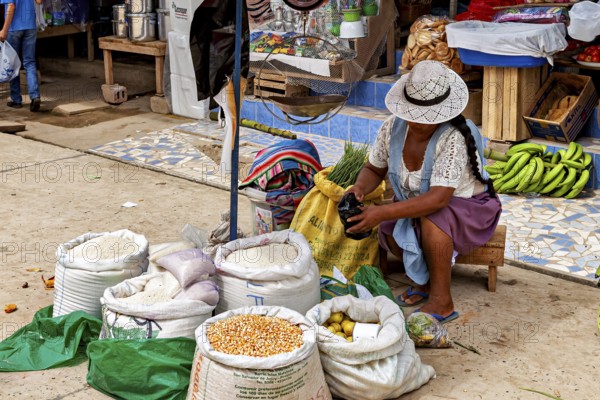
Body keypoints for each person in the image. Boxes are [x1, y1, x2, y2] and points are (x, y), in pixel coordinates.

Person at [345, 61, 502, 323]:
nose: (416, 122)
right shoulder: (392, 128)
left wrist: (381, 212)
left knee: (431, 219)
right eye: (411, 114)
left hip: (466, 209)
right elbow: (373, 169)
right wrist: (359, 188)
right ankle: (425, 281)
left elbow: (439, 198)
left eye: (424, 117)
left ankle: (442, 301)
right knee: (390, 228)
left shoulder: (453, 136)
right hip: (423, 203)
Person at [0, 0, 42, 111]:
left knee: (13, 63)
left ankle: (16, 100)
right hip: (30, 27)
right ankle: (35, 96)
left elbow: (11, 6)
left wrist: (4, 30)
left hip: (14, 29)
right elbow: (39, 1)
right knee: (30, 62)